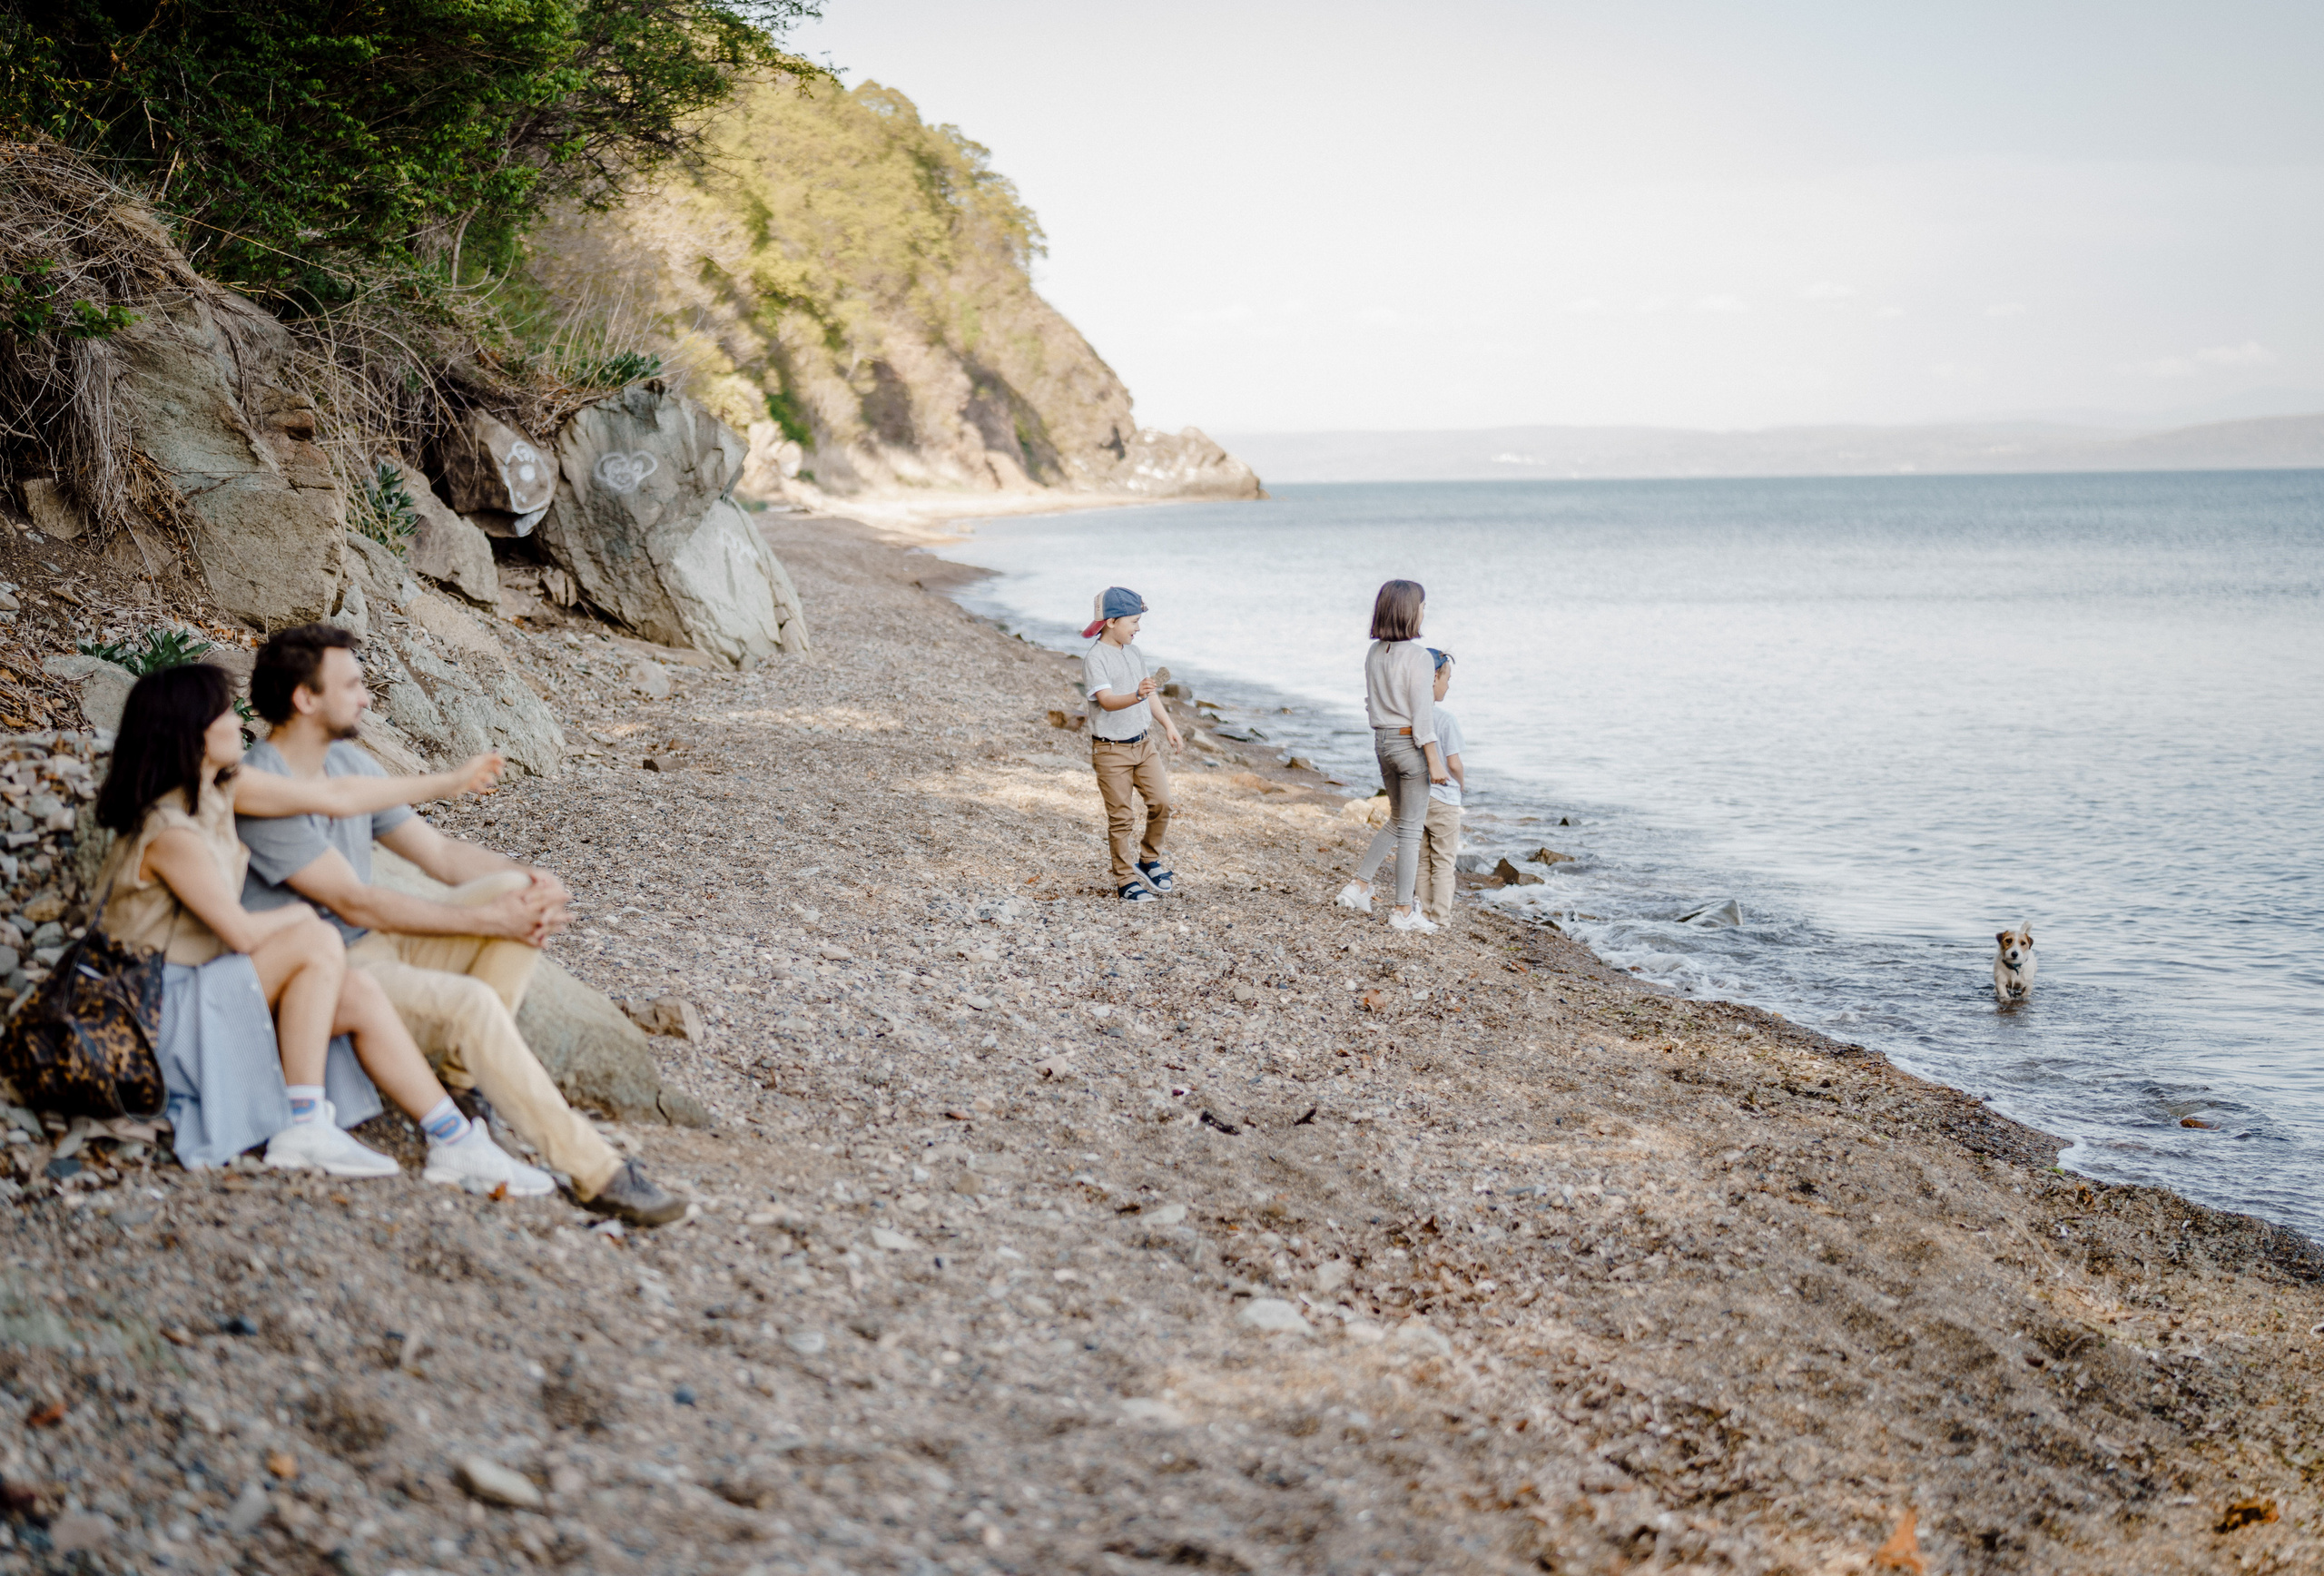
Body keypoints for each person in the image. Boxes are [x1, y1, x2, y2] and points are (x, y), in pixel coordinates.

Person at [234, 624, 684, 1226]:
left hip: (375, 948)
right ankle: (596, 1170)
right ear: (305, 698)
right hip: (325, 975)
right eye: (352, 685)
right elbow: (354, 903)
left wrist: (531, 880)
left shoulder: (346, 761)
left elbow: (441, 856)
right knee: (472, 998)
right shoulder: (264, 788)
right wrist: (486, 921)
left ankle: (459, 1083)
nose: (366, 698)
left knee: (512, 891)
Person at [91, 661, 550, 1193]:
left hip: (204, 987)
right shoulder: (171, 831)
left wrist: (449, 783)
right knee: (314, 937)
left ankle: (455, 1141)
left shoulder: (221, 788)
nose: (237, 719)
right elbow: (240, 933)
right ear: (193, 729)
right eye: (222, 711)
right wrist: (304, 915)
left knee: (355, 989)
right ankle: (305, 1123)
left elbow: (340, 796)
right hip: (154, 1010)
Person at [1335, 579, 1449, 933]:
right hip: (1409, 745)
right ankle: (1403, 911)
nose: (1424, 611)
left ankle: (1359, 886)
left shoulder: (1374, 653)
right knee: (1412, 831)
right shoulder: (1417, 656)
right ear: (1408, 611)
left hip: (1382, 742)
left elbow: (1371, 704)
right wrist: (1435, 760)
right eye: (1422, 605)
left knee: (1397, 821)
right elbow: (1422, 714)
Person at [1080, 586, 1183, 903]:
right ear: (1111, 622)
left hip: (1143, 744)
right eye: (1134, 622)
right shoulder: (1096, 659)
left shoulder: (1134, 653)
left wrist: (1168, 725)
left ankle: (1149, 860)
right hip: (1111, 751)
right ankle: (1126, 881)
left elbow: (1149, 693)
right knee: (1122, 818)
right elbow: (1108, 702)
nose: (1138, 628)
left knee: (1162, 802)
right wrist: (1137, 694)